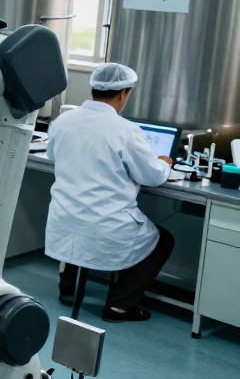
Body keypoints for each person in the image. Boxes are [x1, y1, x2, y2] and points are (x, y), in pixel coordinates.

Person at [45, 62, 175, 323]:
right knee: (163, 241)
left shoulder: (63, 120)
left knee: (80, 228)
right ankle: (119, 307)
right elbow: (152, 176)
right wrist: (165, 162)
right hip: (106, 225)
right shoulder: (126, 131)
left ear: (93, 88)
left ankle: (68, 290)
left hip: (65, 217)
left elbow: (52, 155)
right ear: (124, 93)